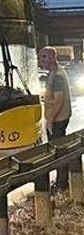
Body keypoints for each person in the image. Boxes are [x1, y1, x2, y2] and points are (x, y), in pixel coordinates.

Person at [40, 46, 72, 191]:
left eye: (44, 57)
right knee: (59, 151)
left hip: (58, 118)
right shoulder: (53, 73)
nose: (41, 60)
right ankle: (61, 182)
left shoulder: (58, 75)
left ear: (53, 57)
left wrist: (50, 120)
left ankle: (61, 184)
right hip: (58, 117)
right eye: (41, 57)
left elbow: (59, 101)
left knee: (59, 152)